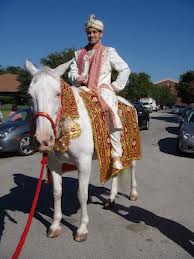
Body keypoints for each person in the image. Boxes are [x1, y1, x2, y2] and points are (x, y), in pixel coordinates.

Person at [68, 14, 131, 169]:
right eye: (89, 32)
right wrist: (77, 78)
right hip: (83, 89)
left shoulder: (109, 51)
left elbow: (125, 69)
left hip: (102, 90)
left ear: (101, 34)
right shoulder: (78, 54)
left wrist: (114, 87)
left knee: (111, 112)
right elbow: (71, 72)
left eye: (94, 32)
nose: (91, 35)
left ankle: (116, 153)